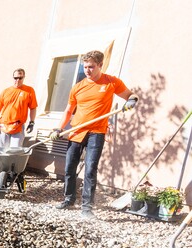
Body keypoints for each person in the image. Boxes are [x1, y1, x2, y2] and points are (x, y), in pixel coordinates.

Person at [49, 50, 138, 219]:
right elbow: (69, 110)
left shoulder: (111, 82)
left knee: (90, 169)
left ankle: (87, 207)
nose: (87, 70)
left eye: (91, 67)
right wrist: (58, 128)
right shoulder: (78, 87)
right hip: (76, 131)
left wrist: (131, 101)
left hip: (96, 133)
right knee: (69, 168)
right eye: (85, 67)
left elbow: (130, 95)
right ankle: (69, 199)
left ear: (100, 65)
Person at [0, 68, 38, 148]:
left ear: (24, 78)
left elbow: (33, 108)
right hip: (4, 125)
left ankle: (12, 161)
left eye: (20, 78)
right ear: (13, 78)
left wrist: (32, 122)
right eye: (15, 78)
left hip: (18, 126)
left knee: (15, 150)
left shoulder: (29, 91)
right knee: (2, 150)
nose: (18, 80)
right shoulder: (6, 91)